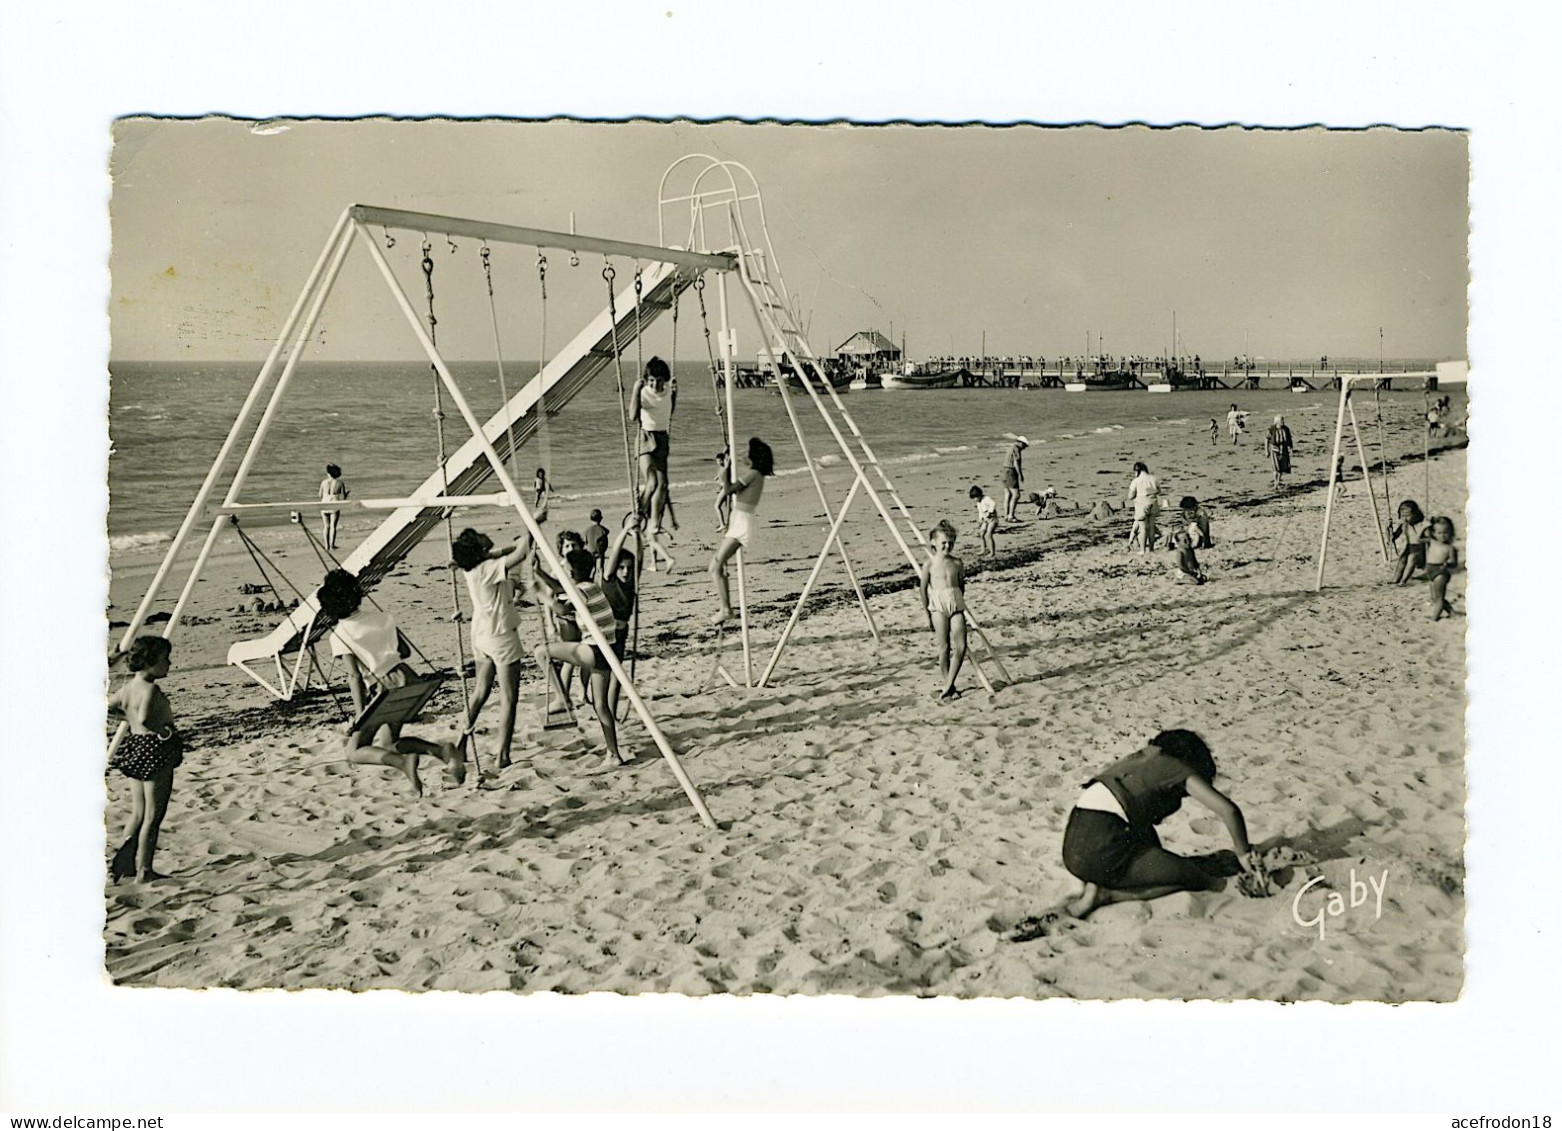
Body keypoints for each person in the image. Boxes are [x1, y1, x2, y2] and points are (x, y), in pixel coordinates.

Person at [1061, 729, 1265, 919]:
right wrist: (1243, 853)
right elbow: (1228, 810)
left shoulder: (1139, 760)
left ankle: (1103, 882)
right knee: (1194, 879)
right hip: (1102, 849)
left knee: (1165, 866)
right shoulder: (1174, 767)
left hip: (1074, 851)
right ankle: (1107, 895)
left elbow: (1135, 821)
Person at [317, 569, 464, 796]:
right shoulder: (383, 617)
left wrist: (359, 716)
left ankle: (402, 763)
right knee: (387, 743)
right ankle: (443, 751)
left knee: (354, 751)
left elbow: (354, 676)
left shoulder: (339, 635)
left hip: (385, 689)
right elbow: (404, 651)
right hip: (408, 679)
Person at [452, 523, 537, 772]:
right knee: (509, 698)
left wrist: (525, 538)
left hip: (480, 635)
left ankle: (461, 742)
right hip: (500, 634)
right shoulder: (488, 569)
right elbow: (520, 555)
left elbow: (506, 551)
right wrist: (534, 525)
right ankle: (502, 754)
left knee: (480, 692)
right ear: (478, 549)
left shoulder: (474, 567)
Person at [533, 547, 629, 766]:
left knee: (541, 652)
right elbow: (560, 588)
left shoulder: (581, 591)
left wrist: (537, 591)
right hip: (608, 652)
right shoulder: (590, 587)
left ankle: (562, 698)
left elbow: (561, 610)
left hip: (594, 651)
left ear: (572, 572)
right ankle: (613, 754)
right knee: (600, 705)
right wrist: (539, 572)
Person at [106, 635, 183, 883]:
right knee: (153, 815)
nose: (169, 664)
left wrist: (126, 719)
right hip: (155, 750)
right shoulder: (151, 689)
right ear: (150, 662)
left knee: (138, 813)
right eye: (165, 659)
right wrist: (165, 731)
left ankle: (126, 862)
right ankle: (145, 870)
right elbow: (146, 717)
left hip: (136, 747)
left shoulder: (128, 688)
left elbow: (108, 706)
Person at [710, 436, 774, 625]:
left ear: (753, 456)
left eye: (746, 452)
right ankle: (726, 607)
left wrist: (725, 468)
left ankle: (726, 609)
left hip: (741, 523)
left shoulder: (752, 474)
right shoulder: (757, 475)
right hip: (741, 520)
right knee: (718, 565)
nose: (743, 455)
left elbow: (728, 489)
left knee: (715, 565)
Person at [918, 519, 969, 700]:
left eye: (951, 543)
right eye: (943, 543)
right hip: (938, 607)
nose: (947, 546)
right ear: (933, 542)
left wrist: (960, 603)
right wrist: (927, 613)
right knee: (944, 647)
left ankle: (948, 685)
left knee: (962, 646)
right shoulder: (929, 565)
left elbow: (961, 585)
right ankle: (949, 684)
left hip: (955, 604)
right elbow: (923, 590)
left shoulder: (957, 563)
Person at [629, 356, 676, 534]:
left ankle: (654, 522)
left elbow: (668, 410)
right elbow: (633, 416)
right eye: (651, 381)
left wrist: (675, 392)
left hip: (662, 438)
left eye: (659, 381)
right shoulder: (643, 392)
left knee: (662, 485)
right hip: (645, 438)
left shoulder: (669, 391)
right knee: (652, 482)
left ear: (665, 380)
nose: (655, 385)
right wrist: (635, 390)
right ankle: (638, 516)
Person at [1423, 516, 1460, 621]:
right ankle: (1451, 612)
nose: (1443, 536)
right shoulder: (1432, 542)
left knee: (1439, 597)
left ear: (1451, 533)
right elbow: (1418, 538)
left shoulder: (1450, 548)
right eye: (1439, 533)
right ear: (1434, 533)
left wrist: (1448, 563)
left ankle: (1434, 617)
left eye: (1445, 533)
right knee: (1436, 597)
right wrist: (1427, 525)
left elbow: (1454, 563)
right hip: (1430, 570)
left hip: (1441, 572)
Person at [1387, 499, 1429, 585]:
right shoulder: (1403, 526)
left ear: (1416, 514)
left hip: (1420, 550)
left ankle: (1404, 580)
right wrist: (1388, 530)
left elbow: (1430, 539)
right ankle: (1395, 579)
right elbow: (1392, 538)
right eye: (1403, 515)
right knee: (1402, 560)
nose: (1405, 518)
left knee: (1411, 559)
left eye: (1408, 515)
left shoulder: (1421, 525)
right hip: (1409, 548)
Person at [1124, 461, 1160, 553]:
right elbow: (1158, 490)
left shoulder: (1136, 481)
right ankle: (1151, 548)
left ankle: (1142, 550)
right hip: (1153, 502)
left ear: (1137, 471)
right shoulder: (1153, 478)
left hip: (1142, 504)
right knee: (1151, 527)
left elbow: (1130, 496)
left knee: (1142, 528)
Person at [318, 463, 349, 551]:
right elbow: (343, 497)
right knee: (333, 526)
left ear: (328, 473)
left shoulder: (324, 482)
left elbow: (320, 494)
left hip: (324, 504)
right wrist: (346, 494)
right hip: (334, 504)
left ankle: (326, 545)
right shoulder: (340, 483)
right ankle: (332, 544)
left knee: (326, 526)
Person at [1001, 436, 1028, 521]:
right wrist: (1020, 475)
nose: (1024, 448)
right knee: (1016, 495)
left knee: (1007, 494)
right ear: (1021, 443)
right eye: (1024, 446)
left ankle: (1006, 515)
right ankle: (1011, 516)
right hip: (1011, 471)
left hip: (1004, 471)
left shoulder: (1010, 448)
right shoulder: (1016, 449)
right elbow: (1016, 463)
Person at [1265, 414, 1295, 491]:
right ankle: (1276, 483)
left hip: (1284, 451)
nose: (1283, 422)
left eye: (1283, 420)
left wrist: (1291, 448)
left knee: (1281, 468)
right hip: (1274, 451)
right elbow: (1266, 440)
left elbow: (1289, 439)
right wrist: (1266, 450)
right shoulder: (1271, 429)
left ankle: (1277, 483)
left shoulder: (1286, 429)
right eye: (1281, 420)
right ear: (1277, 422)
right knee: (1276, 468)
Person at [969, 485, 998, 559]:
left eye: (976, 497)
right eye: (974, 498)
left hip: (992, 519)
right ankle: (983, 549)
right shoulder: (978, 503)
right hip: (985, 520)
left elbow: (993, 504)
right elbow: (980, 512)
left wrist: (989, 511)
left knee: (989, 534)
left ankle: (992, 552)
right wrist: (980, 520)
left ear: (980, 495)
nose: (975, 499)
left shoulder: (986, 499)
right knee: (981, 534)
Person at [584, 509, 610, 580]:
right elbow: (607, 532)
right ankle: (601, 582)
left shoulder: (587, 530)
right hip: (599, 552)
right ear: (601, 518)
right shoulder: (602, 530)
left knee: (591, 569)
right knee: (600, 569)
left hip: (590, 552)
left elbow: (585, 542)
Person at [713, 448, 732, 531]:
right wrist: (727, 446)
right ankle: (729, 523)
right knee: (727, 507)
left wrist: (729, 454)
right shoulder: (720, 468)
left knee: (717, 506)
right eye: (717, 461)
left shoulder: (725, 466)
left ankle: (722, 524)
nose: (719, 462)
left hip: (726, 488)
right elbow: (724, 452)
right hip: (723, 488)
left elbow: (727, 458)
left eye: (720, 460)